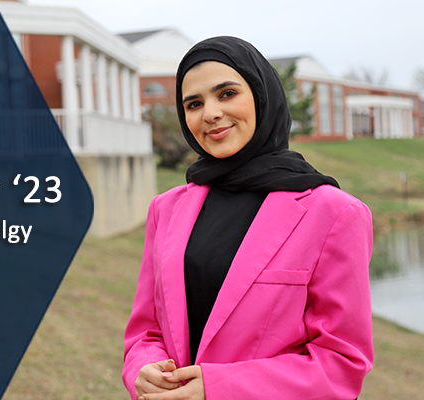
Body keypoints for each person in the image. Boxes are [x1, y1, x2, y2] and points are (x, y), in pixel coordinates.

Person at [122, 36, 374, 400]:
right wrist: (141, 371)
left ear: (260, 95)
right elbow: (146, 334)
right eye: (194, 103)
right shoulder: (166, 209)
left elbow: (340, 364)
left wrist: (219, 388)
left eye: (226, 94)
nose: (210, 113)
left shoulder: (335, 213)